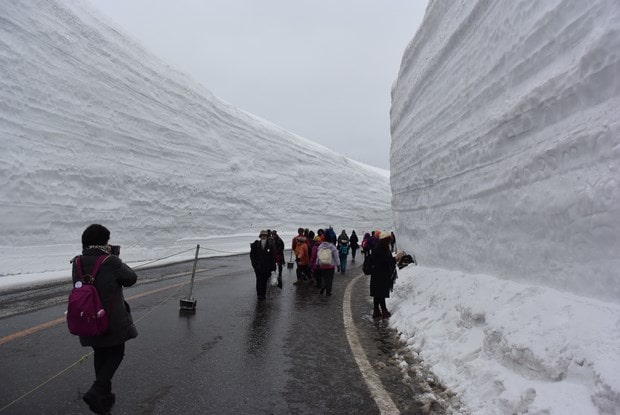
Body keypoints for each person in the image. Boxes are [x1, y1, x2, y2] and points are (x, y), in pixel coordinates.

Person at [73, 224, 138, 415]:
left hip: (89, 318)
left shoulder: (77, 262)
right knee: (117, 352)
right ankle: (97, 390)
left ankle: (104, 394)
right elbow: (131, 278)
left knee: (100, 352)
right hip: (111, 319)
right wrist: (116, 258)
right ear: (104, 242)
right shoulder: (110, 261)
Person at [369, 231, 397, 318]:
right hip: (380, 274)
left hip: (377, 274)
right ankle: (384, 311)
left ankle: (376, 311)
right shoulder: (382, 248)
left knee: (377, 294)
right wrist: (396, 259)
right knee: (380, 293)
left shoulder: (380, 247)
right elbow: (386, 261)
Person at [250, 230, 276, 300]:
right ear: (260, 237)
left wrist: (273, 269)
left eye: (265, 236)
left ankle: (263, 294)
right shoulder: (256, 245)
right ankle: (259, 295)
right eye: (262, 236)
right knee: (259, 281)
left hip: (267, 268)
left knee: (264, 281)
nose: (263, 237)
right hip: (258, 268)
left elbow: (273, 257)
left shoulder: (270, 245)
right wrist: (254, 265)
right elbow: (252, 256)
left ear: (267, 237)